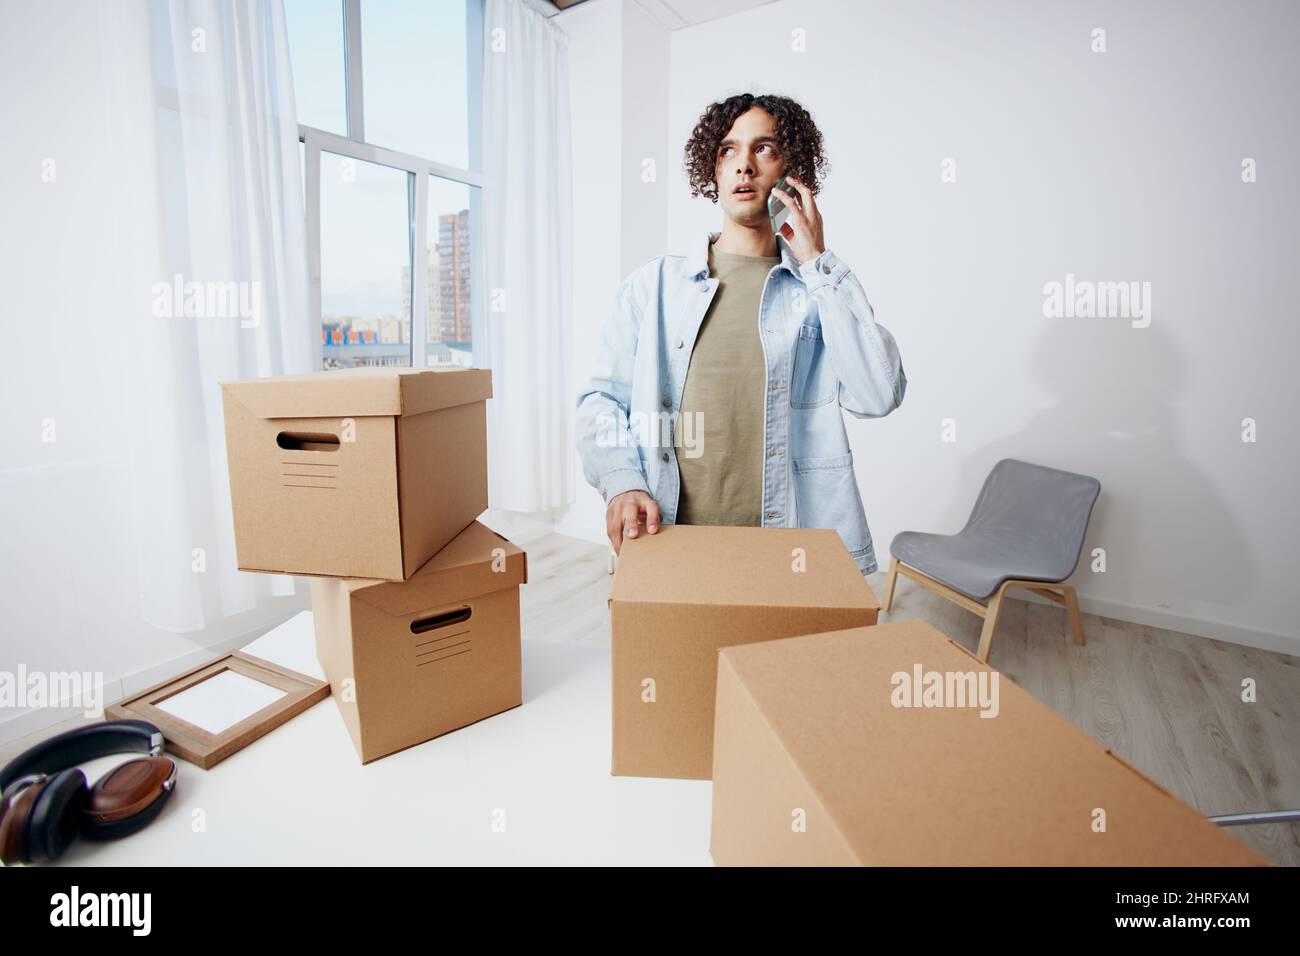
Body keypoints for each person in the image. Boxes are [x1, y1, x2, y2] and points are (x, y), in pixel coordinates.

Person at [575, 92, 906, 576]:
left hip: (788, 551)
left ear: (793, 171)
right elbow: (601, 401)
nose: (743, 166)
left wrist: (819, 264)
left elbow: (878, 394)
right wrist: (622, 481)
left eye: (764, 149)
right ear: (713, 170)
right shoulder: (655, 288)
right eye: (728, 151)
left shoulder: (817, 294)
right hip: (669, 540)